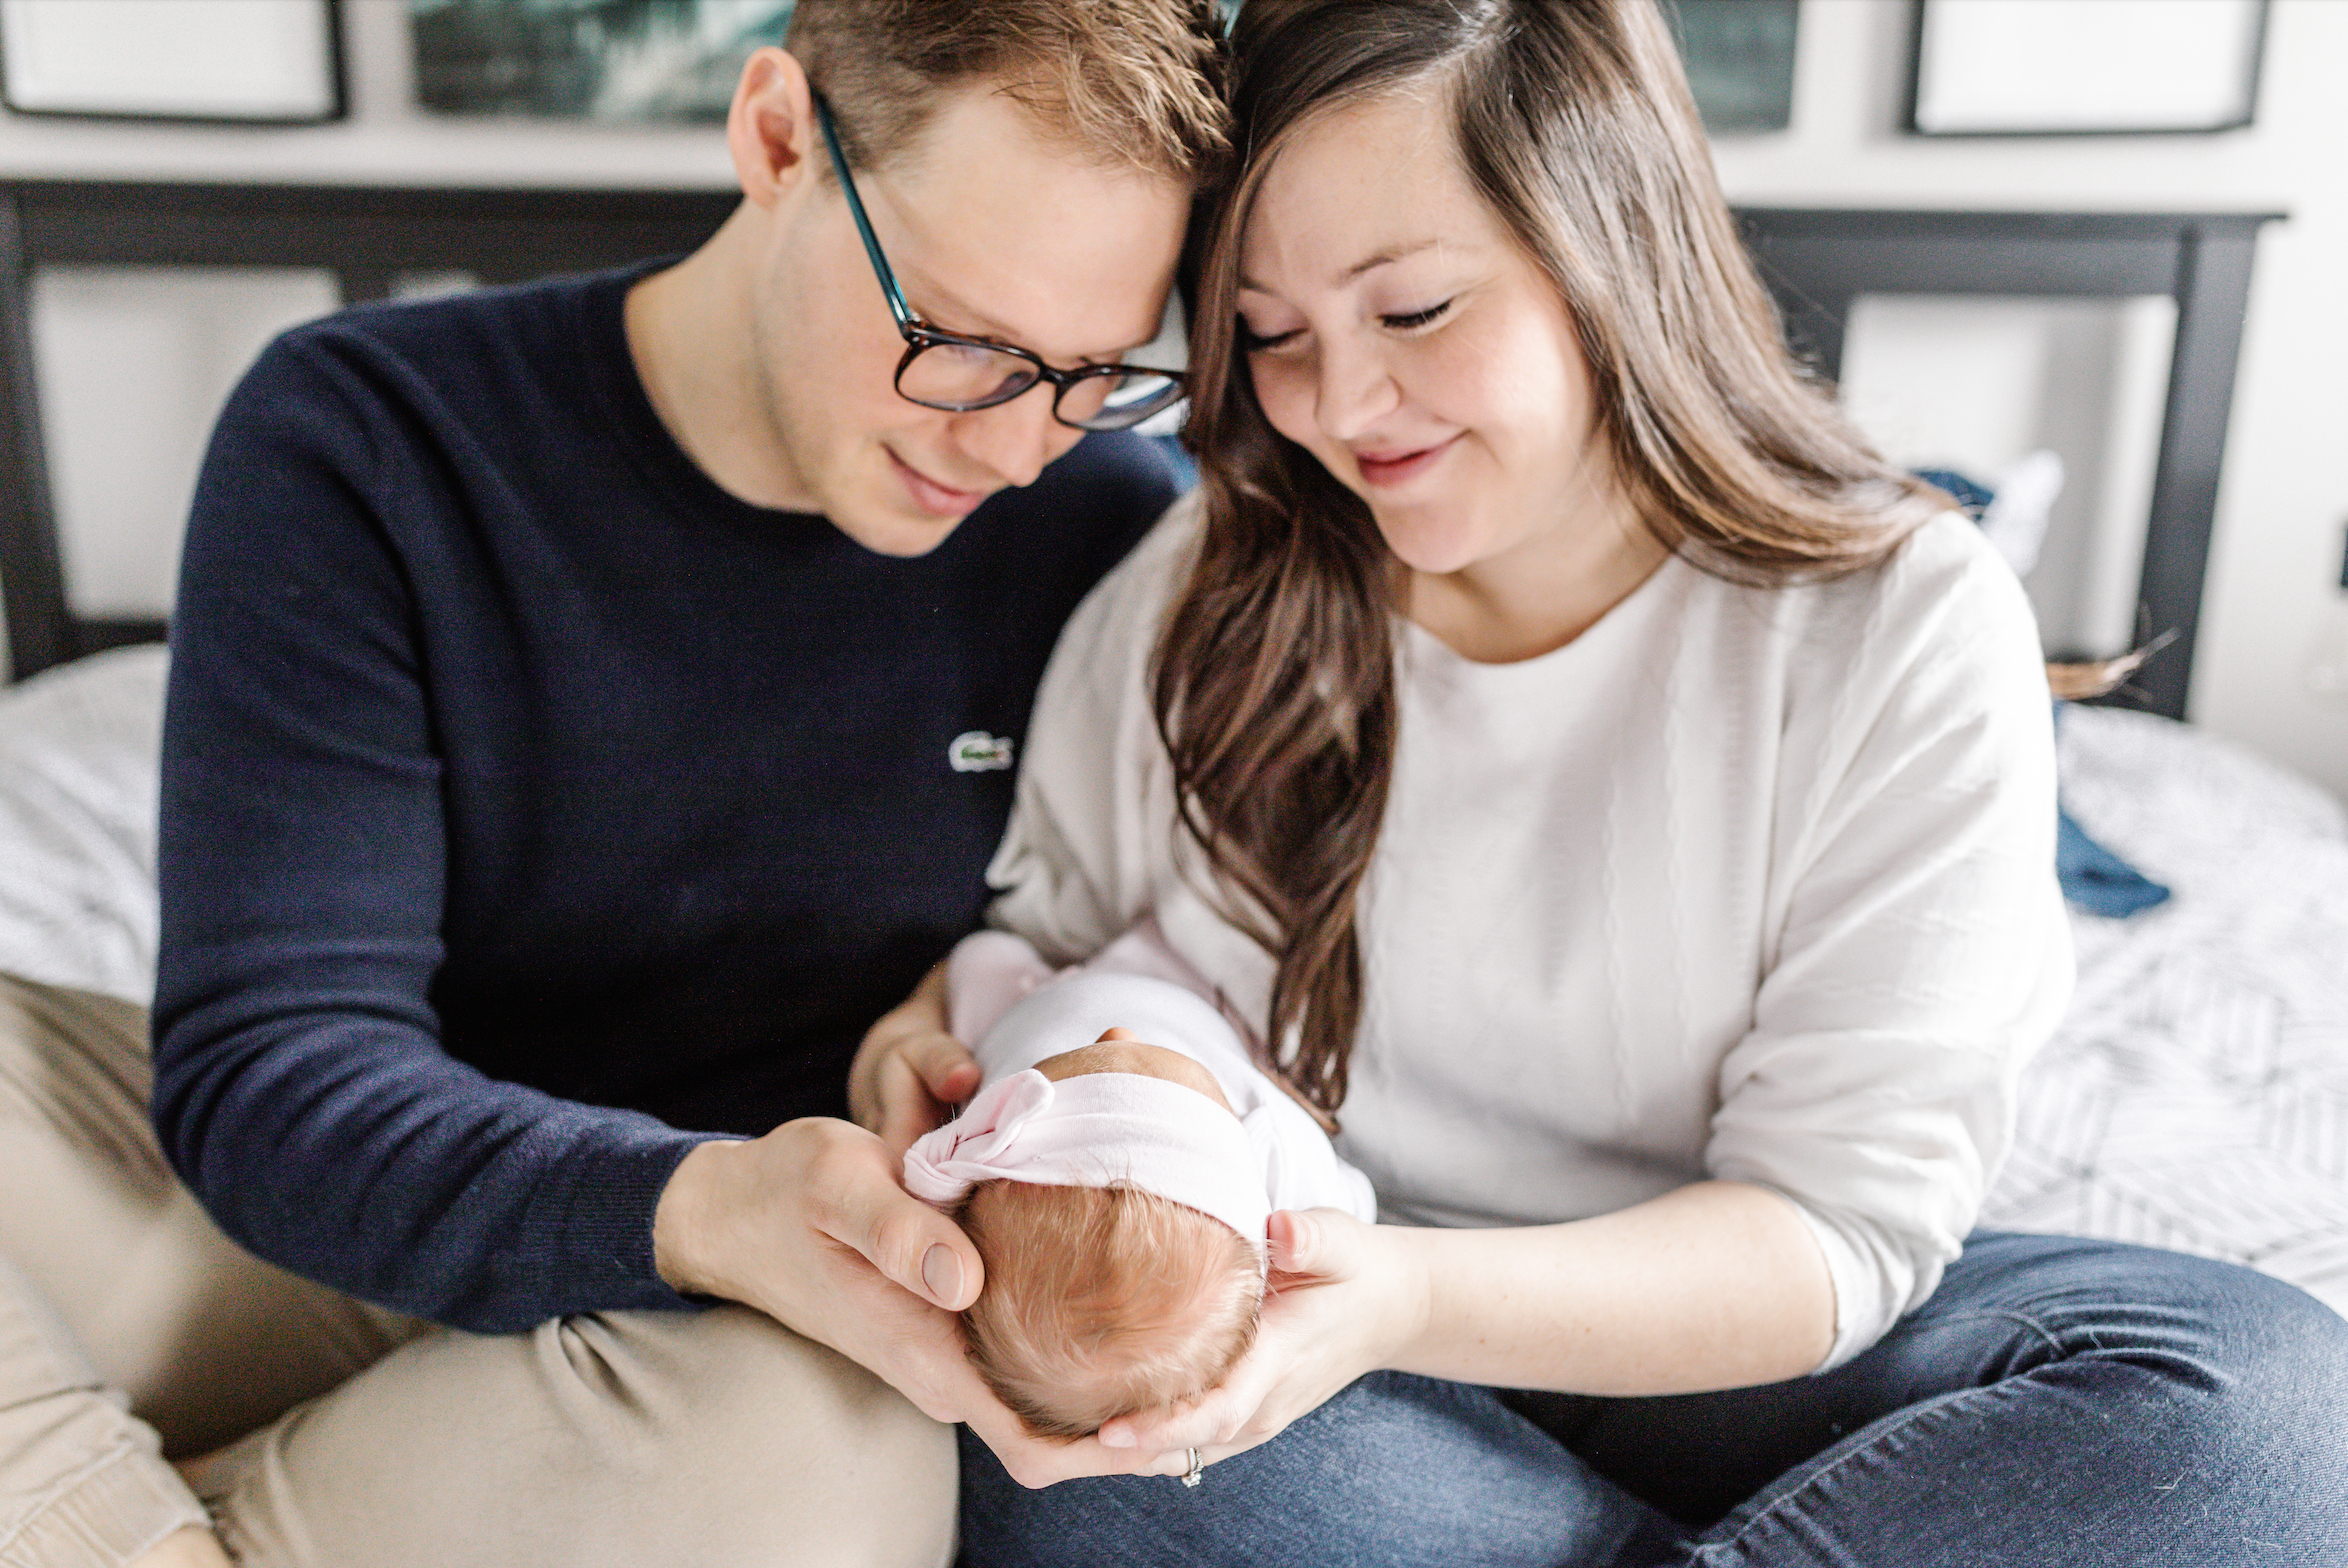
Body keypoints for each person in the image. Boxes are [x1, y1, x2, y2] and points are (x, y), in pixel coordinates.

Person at [848, 1, 2348, 1562]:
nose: (1339, 408)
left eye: (1415, 309)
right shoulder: (1195, 596)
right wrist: (929, 1047)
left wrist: (1411, 1296)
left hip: (1724, 1343)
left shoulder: (1897, 620)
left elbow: (1838, 1229)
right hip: (1313, 1354)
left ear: (1609, 245)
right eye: (1274, 336)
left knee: (2260, 1416)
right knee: (1073, 1447)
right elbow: (1043, 963)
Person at [0, 4, 1233, 1566]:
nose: (1014, 451)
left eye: (1092, 376)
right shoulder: (373, 437)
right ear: (779, 137)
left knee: (822, 1449)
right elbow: (276, 1078)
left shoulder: (1114, 530)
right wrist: (699, 1197)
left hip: (718, 1343)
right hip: (338, 1229)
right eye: (965, 346)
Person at [909, 923, 1375, 1437]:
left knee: (984, 957)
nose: (1117, 1036)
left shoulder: (981, 1113)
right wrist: (1317, 1229)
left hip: (1034, 995)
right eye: (1154, 1073)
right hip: (1213, 988)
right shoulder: (1269, 1135)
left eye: (1090, 1063)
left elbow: (977, 960)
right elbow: (1355, 1204)